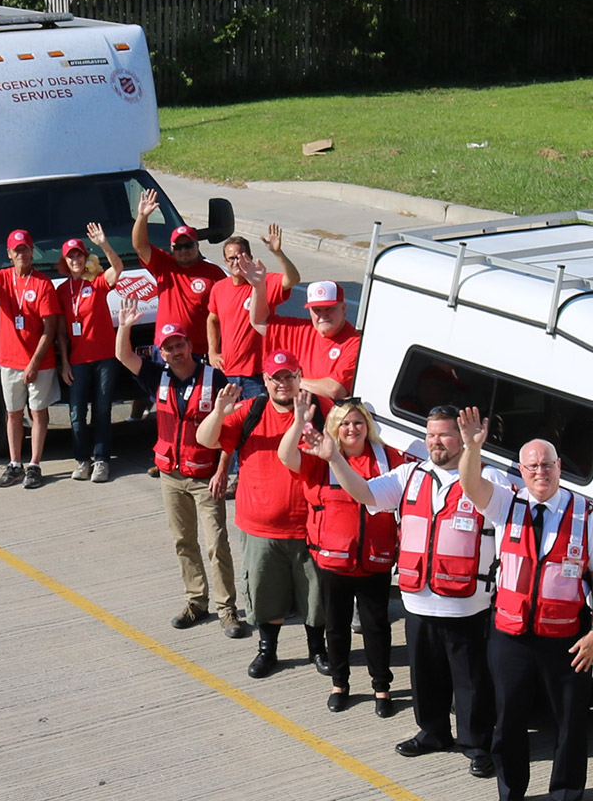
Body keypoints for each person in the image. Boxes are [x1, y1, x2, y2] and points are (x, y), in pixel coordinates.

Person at [309, 404, 507, 779]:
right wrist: (334, 458)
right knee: (425, 677)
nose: (436, 442)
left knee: (471, 682)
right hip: (419, 599)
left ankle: (478, 745)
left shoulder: (488, 477)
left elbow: (483, 499)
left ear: (462, 438)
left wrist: (473, 450)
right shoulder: (408, 475)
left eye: (444, 435)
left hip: (467, 604)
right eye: (431, 434)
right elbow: (365, 494)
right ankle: (433, 732)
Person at [454, 415, 593, 801]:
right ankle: (511, 792)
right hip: (511, 638)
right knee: (508, 722)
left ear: (560, 467)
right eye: (532, 466)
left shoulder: (584, 515)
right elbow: (469, 483)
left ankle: (566, 794)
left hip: (567, 641)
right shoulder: (505, 505)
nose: (540, 471)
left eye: (547, 464)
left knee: (571, 724)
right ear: (522, 471)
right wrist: (472, 447)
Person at [115, 296, 248, 639]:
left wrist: (223, 471)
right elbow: (123, 356)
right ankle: (196, 601)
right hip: (171, 477)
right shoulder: (156, 378)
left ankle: (227, 609)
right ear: (161, 352)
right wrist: (126, 326)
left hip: (205, 477)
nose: (176, 351)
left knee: (216, 543)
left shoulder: (215, 379)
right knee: (183, 541)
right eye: (169, 347)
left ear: (191, 345)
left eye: (180, 344)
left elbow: (229, 432)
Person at [278, 397, 409, 716]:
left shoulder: (387, 457)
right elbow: (286, 456)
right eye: (345, 423)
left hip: (374, 561)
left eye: (358, 422)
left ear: (368, 426)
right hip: (333, 563)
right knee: (335, 626)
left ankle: (382, 688)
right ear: (335, 428)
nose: (352, 429)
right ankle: (340, 684)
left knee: (376, 626)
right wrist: (297, 421)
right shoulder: (320, 458)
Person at [197, 349, 316, 673]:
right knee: (265, 596)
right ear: (264, 380)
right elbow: (205, 439)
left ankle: (318, 650)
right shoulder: (251, 410)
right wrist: (219, 412)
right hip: (260, 527)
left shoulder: (318, 411)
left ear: (299, 376)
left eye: (289, 376)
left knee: (314, 598)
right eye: (275, 378)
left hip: (311, 526)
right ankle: (268, 650)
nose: (283, 384)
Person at [0, 229, 62, 489]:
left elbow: (49, 329)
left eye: (25, 249)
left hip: (39, 364)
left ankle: (34, 465)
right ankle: (15, 464)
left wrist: (33, 363)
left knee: (38, 414)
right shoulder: (2, 278)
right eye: (16, 250)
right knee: (12, 414)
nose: (22, 254)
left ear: (32, 251)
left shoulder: (43, 284)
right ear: (9, 255)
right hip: (9, 361)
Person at [54, 224, 123, 483]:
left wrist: (104, 244)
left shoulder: (97, 281)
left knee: (102, 410)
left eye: (79, 255)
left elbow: (118, 270)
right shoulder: (61, 291)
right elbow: (61, 332)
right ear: (65, 260)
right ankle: (82, 460)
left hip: (105, 356)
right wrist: (64, 363)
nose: (75, 259)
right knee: (76, 413)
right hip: (77, 361)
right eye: (70, 256)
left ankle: (102, 460)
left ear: (86, 257)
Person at [206, 225, 300, 402]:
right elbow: (212, 319)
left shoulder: (263, 282)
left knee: (259, 424)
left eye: (241, 257)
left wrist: (278, 253)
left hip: (258, 375)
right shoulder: (219, 288)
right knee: (231, 425)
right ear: (225, 262)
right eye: (231, 259)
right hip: (229, 374)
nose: (236, 262)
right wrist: (212, 352)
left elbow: (293, 279)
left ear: (249, 257)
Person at [251, 274, 360, 425]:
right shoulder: (302, 329)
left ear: (343, 308)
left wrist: (292, 381)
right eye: (317, 310)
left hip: (327, 424)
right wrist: (258, 287)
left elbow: (334, 389)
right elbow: (259, 321)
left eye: (329, 309)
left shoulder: (354, 343)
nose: (323, 315)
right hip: (295, 419)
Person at [131, 188, 227, 358]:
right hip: (166, 348)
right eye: (179, 247)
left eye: (188, 245)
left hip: (200, 351)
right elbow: (140, 246)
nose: (184, 251)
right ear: (171, 249)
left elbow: (225, 313)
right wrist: (142, 217)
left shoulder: (214, 273)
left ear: (197, 246)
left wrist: (218, 349)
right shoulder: (163, 265)